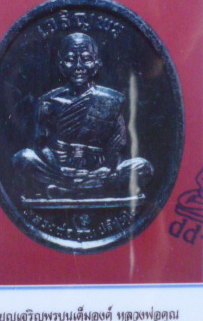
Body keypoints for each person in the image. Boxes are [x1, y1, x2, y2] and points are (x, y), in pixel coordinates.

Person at [12, 32, 153, 200]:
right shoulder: (49, 101)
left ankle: (66, 191)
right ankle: (89, 191)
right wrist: (58, 168)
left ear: (97, 64)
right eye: (70, 60)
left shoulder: (112, 100)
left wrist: (106, 168)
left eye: (86, 59)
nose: (78, 66)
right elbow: (41, 145)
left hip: (98, 174)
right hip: (60, 172)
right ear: (61, 65)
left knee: (142, 167)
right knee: (23, 159)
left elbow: (117, 145)